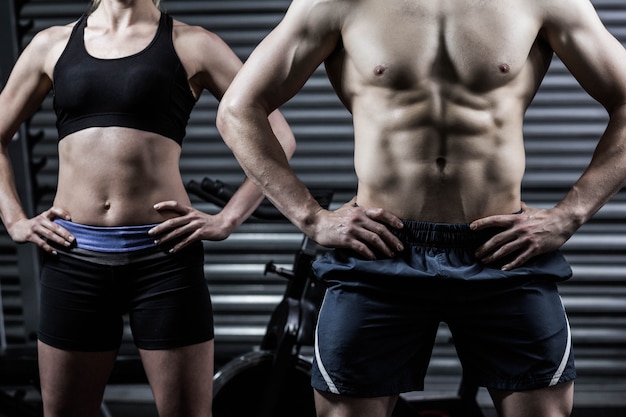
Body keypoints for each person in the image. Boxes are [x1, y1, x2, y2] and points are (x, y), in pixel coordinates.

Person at [215, 0, 626, 416]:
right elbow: (238, 110)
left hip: (501, 250)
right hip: (381, 250)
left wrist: (569, 215)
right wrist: (310, 217)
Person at [0, 0, 295, 416]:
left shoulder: (192, 44)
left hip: (164, 262)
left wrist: (229, 218)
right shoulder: (52, 44)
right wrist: (14, 219)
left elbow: (278, 136)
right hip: (74, 258)